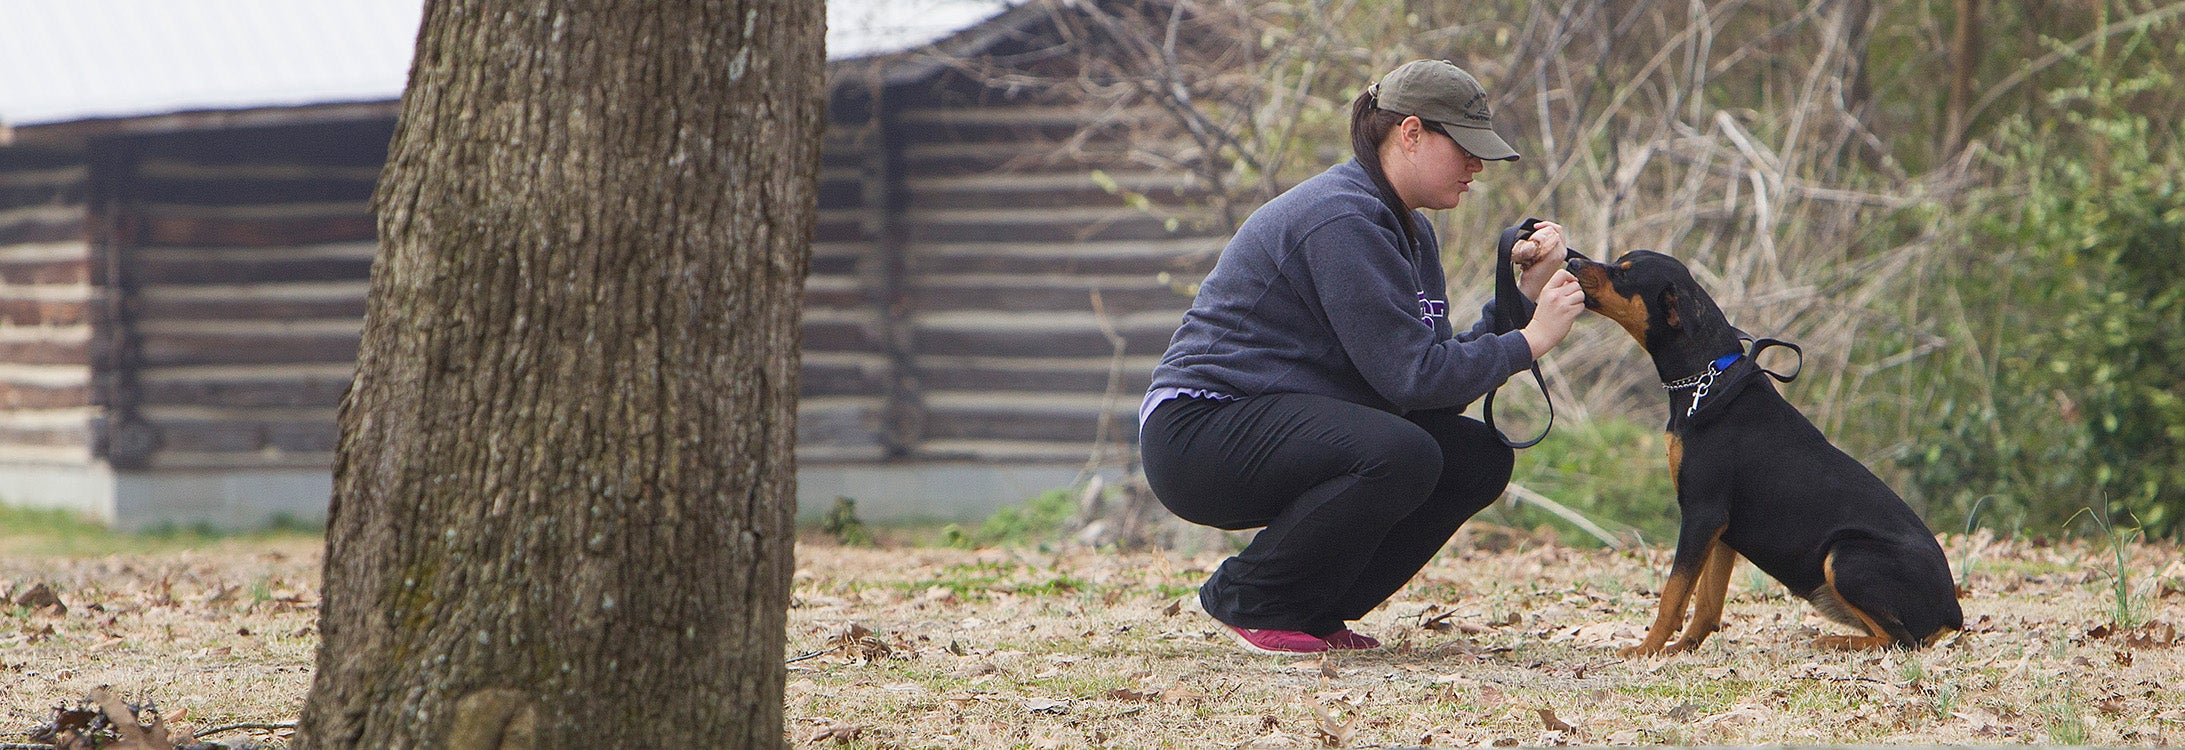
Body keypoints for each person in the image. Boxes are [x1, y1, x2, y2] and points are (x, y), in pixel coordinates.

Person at [1137, 59, 1585, 654]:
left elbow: (1434, 381)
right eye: (1467, 148)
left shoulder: (1408, 229)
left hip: (1269, 422)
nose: (1478, 166)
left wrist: (1521, 301)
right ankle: (1252, 595)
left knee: (1476, 456)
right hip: (1198, 429)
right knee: (1402, 452)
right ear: (1411, 133)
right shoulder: (1342, 218)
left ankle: (1309, 609)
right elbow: (1413, 379)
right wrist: (1531, 340)